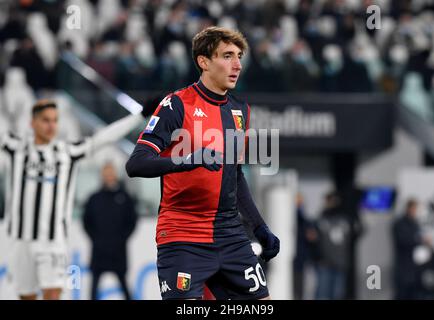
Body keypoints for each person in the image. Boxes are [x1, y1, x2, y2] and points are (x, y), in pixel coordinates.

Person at [126, 26, 280, 300]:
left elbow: (234, 175)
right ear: (203, 61)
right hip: (183, 235)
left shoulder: (240, 111)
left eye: (239, 56)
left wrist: (258, 226)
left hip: (230, 234)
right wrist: (187, 160)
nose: (237, 65)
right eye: (227, 56)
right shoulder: (176, 105)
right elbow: (136, 164)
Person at [0, 98, 150, 300]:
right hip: (21, 240)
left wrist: (139, 116)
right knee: (26, 296)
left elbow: (103, 138)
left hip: (52, 242)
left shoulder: (66, 151)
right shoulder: (15, 147)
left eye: (55, 120)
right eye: (45, 120)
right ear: (32, 123)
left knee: (53, 294)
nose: (51, 125)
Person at [83, 162, 137, 300]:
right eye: (106, 173)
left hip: (118, 251)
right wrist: (96, 239)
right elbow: (86, 222)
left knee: (124, 286)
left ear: (115, 174)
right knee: (94, 288)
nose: (108, 176)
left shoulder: (125, 197)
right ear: (102, 175)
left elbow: (132, 221)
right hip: (99, 251)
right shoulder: (94, 198)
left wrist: (121, 238)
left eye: (110, 172)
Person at [314, 191, 351, 300]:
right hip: (324, 262)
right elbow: (314, 240)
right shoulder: (321, 219)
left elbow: (357, 232)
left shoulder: (345, 219)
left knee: (337, 294)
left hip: (340, 263)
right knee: (322, 294)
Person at [392, 198, 430, 300]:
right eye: (414, 209)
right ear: (409, 208)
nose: (415, 211)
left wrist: (425, 242)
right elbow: (404, 241)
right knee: (402, 294)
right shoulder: (399, 224)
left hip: (415, 269)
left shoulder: (415, 223)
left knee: (414, 294)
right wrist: (420, 240)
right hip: (403, 268)